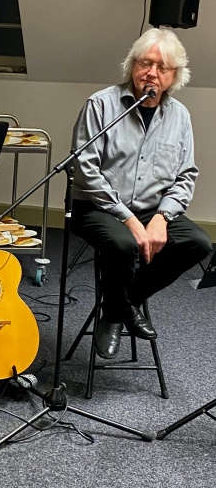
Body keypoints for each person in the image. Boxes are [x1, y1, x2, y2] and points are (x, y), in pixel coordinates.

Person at [71, 28, 212, 360]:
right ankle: (119, 312)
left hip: (152, 209)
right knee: (124, 244)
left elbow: (186, 175)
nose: (151, 72)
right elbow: (85, 169)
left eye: (162, 67)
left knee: (198, 243)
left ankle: (117, 307)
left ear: (174, 76)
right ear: (132, 65)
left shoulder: (179, 116)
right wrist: (129, 220)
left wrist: (162, 216)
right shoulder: (101, 104)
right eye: (145, 63)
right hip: (98, 207)